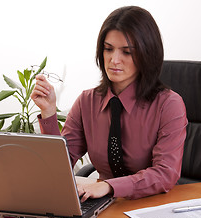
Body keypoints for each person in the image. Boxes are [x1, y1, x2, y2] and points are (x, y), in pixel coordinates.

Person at [31, 6, 187, 202]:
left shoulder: (169, 105)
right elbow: (57, 167)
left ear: (147, 54)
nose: (114, 60)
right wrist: (48, 113)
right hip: (105, 207)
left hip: (153, 207)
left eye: (127, 52)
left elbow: (166, 174)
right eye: (108, 49)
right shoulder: (87, 102)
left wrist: (109, 186)